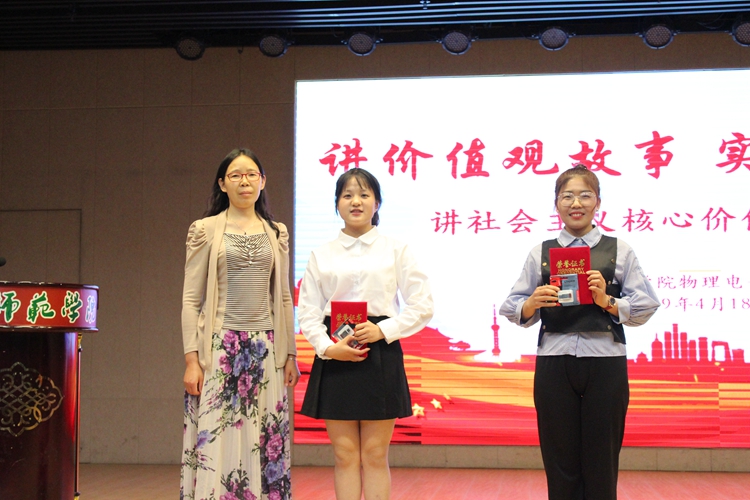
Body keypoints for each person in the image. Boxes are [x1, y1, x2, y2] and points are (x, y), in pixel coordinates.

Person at [499, 164, 660, 500]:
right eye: (567, 196)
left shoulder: (620, 249)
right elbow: (512, 305)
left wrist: (608, 301)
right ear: (556, 204)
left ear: (598, 202)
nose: (576, 203)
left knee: (602, 460)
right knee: (559, 459)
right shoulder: (540, 252)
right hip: (554, 360)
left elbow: (646, 304)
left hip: (605, 360)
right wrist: (532, 303)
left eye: (585, 195)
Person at [297, 168, 433, 500]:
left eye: (364, 194)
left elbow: (422, 304)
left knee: (374, 455)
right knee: (344, 455)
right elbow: (309, 312)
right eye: (347, 195)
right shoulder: (321, 254)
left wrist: (382, 329)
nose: (355, 201)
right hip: (336, 353)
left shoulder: (396, 250)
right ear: (337, 204)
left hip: (380, 353)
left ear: (377, 203)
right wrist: (328, 348)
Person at [180, 148, 300, 500]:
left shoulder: (276, 232)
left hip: (267, 351)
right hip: (220, 349)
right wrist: (191, 360)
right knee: (218, 440)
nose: (244, 181)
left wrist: (290, 354)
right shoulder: (204, 230)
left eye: (251, 174)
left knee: (265, 441)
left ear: (262, 182)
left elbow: (284, 297)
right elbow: (191, 300)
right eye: (235, 175)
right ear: (223, 184)